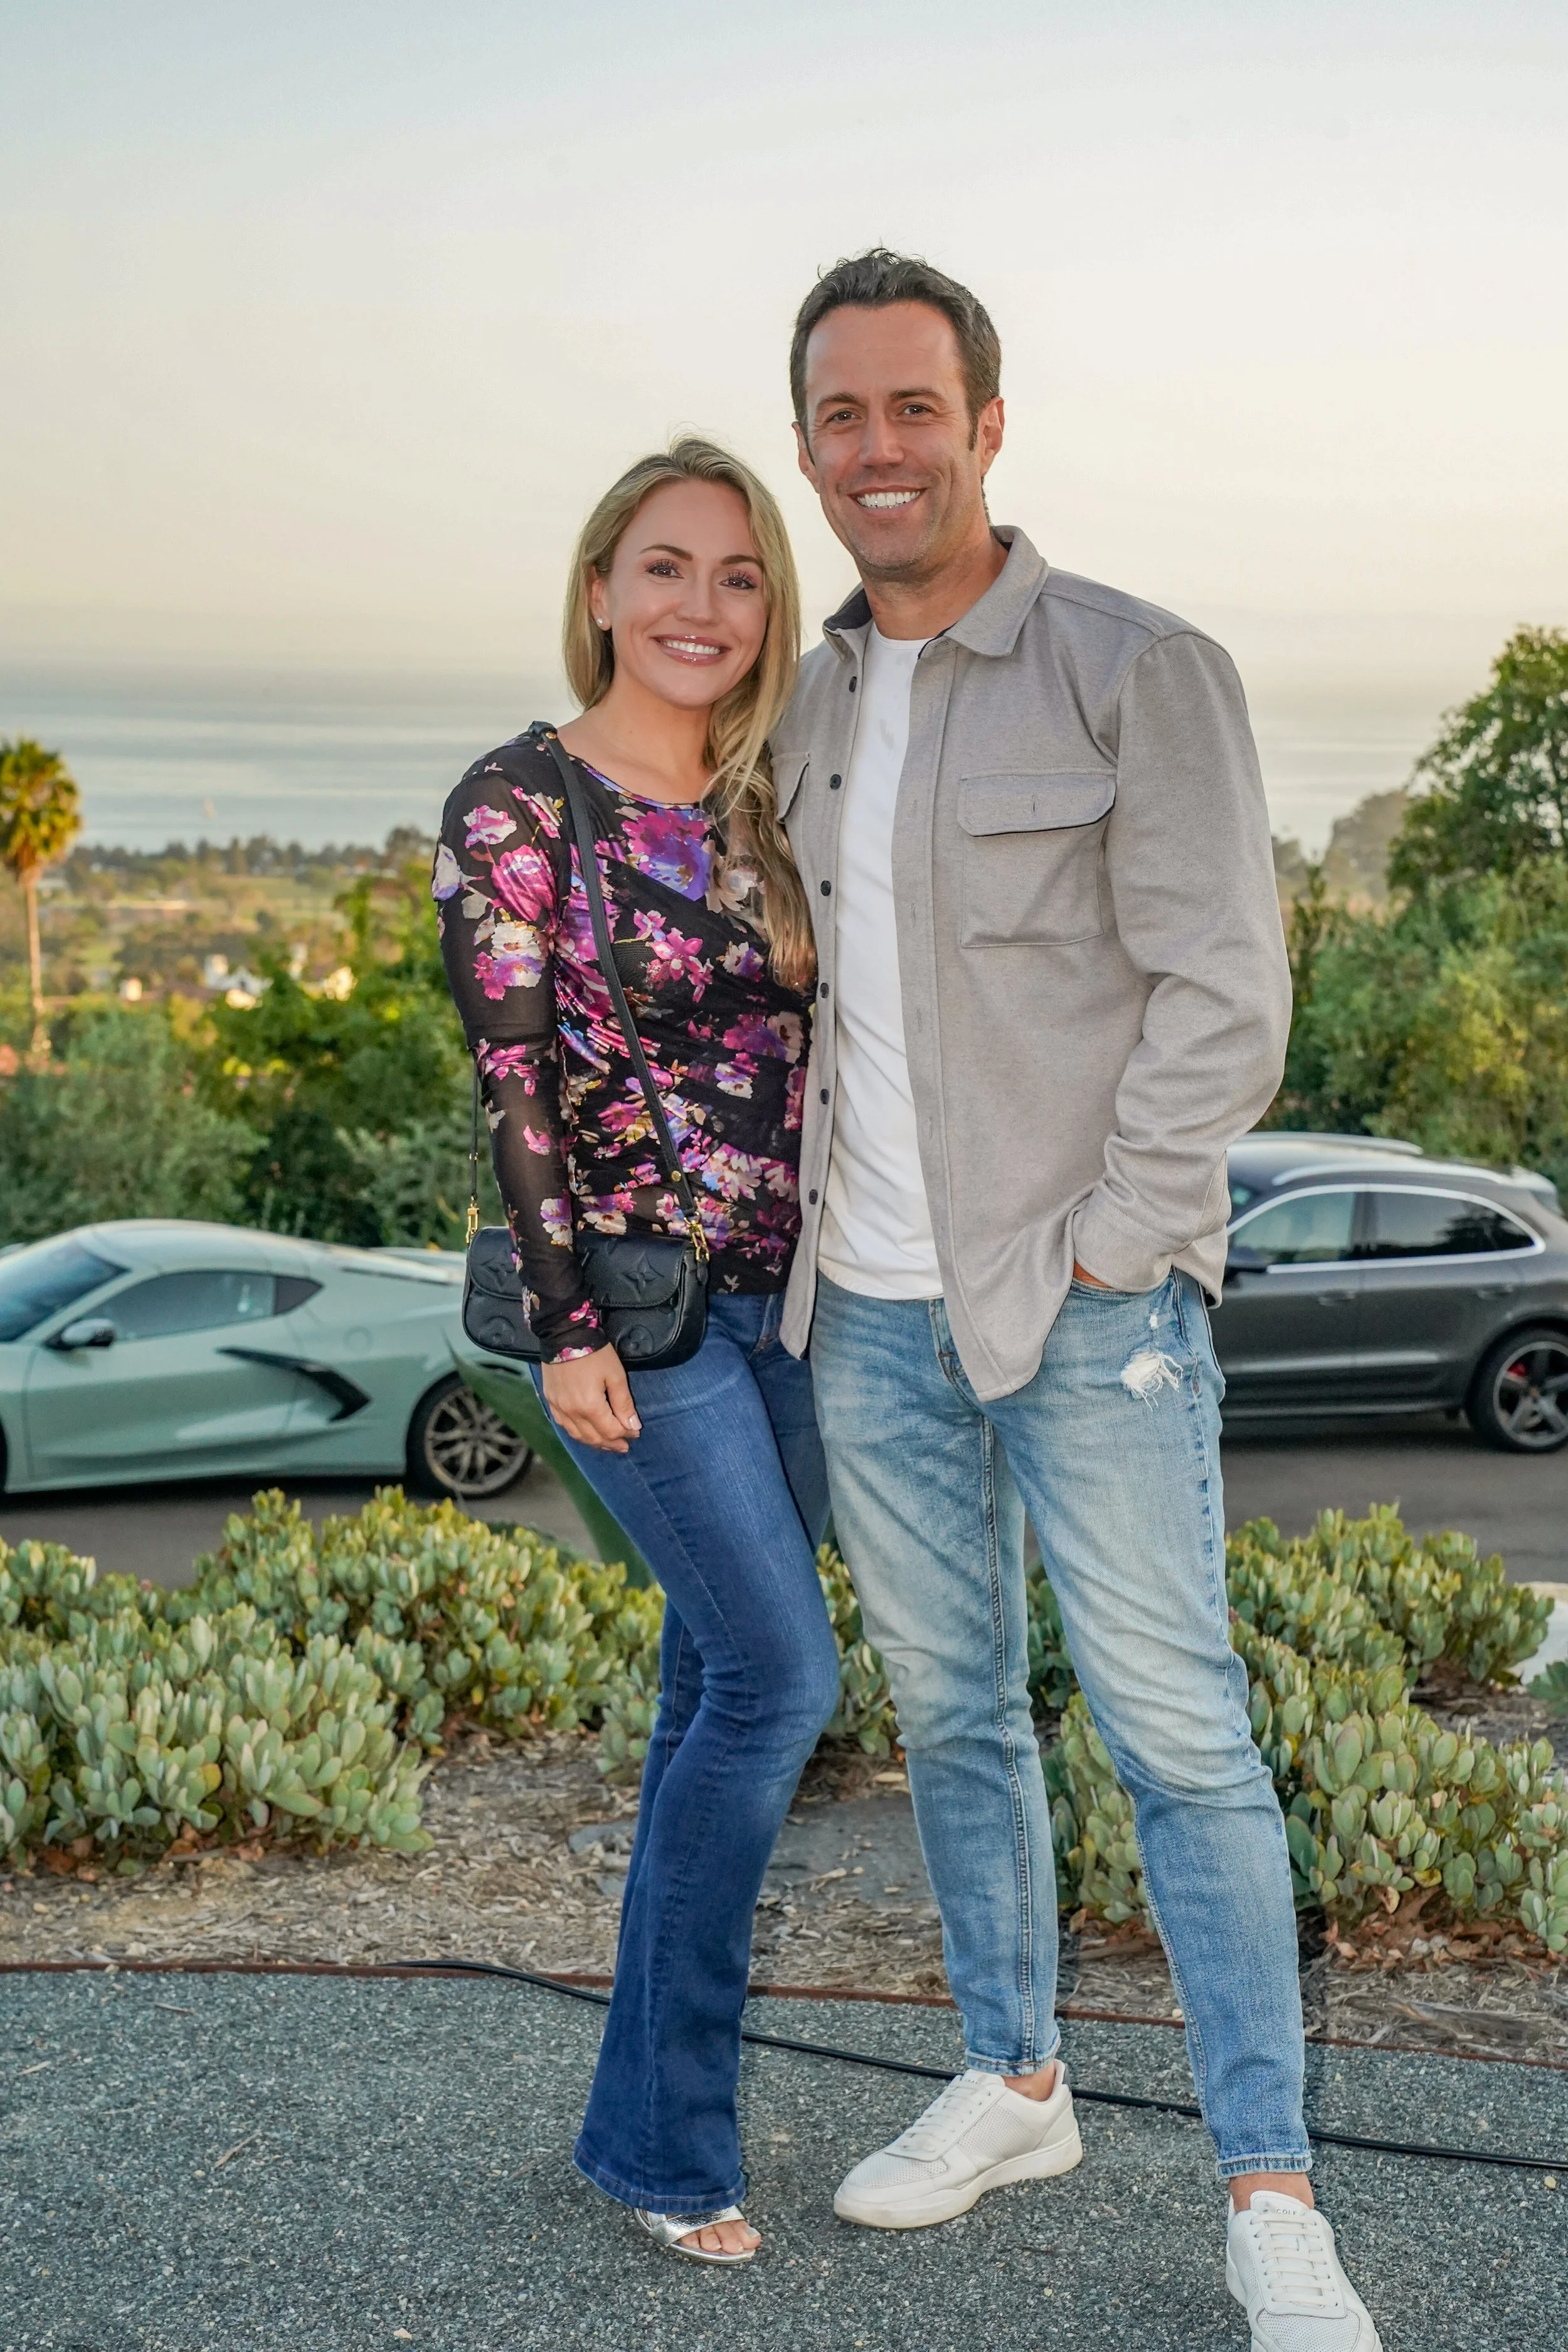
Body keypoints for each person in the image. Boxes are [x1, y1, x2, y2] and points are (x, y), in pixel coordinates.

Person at [773, 252, 1383, 2352]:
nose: (879, 450)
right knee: (951, 1718)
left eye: (913, 408)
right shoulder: (811, 696)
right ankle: (1015, 2075)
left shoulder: (1134, 667)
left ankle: (1269, 2192)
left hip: (1088, 1307)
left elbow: (1228, 988)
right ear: (807, 445)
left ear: (986, 424)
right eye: (841, 416)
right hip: (860, 1313)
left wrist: (1121, 1238)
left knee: (1180, 1748)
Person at [435, 438, 839, 2267]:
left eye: (738, 576)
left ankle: (627, 2125)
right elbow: (514, 1078)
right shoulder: (522, 801)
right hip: (638, 1316)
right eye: (664, 568)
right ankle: (673, 2146)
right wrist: (571, 1324)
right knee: (775, 1683)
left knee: (708, 1693)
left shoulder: (769, 795)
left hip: (794, 1309)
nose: (699, 605)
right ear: (601, 586)